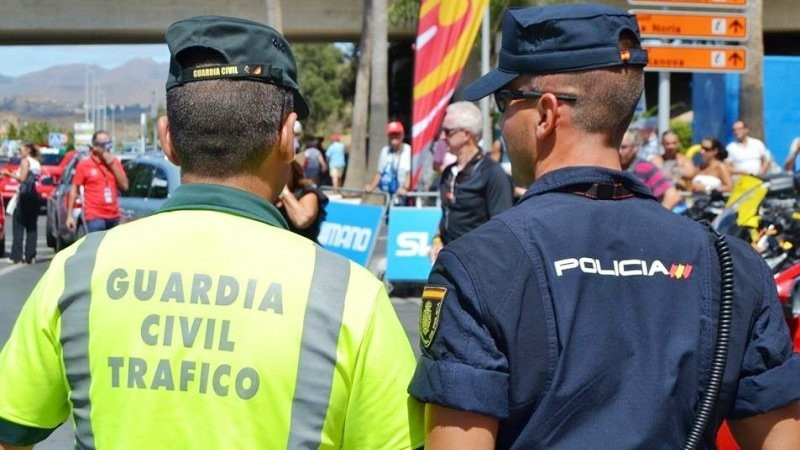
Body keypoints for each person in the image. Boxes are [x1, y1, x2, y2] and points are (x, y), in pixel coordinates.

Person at [0, 16, 423, 450]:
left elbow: (10, 428)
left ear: (167, 139)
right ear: (286, 136)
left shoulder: (77, 269)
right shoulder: (352, 298)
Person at [408, 4, 800, 449]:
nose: (501, 123)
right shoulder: (730, 264)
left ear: (546, 113)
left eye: (504, 101)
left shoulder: (478, 263)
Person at [429, 101, 513, 262]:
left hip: (480, 265)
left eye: (448, 132)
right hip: (450, 263)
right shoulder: (448, 173)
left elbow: (503, 229)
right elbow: (446, 216)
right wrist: (437, 240)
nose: (442, 137)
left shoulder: (492, 173)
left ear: (467, 134)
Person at [65, 130, 129, 233]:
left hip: (114, 216)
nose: (107, 148)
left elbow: (125, 186)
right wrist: (69, 215)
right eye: (103, 145)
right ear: (95, 147)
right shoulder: (84, 165)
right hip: (94, 216)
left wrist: (112, 165)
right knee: (96, 246)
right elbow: (74, 190)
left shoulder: (115, 162)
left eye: (109, 144)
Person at [618, 130, 682, 210]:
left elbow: (673, 196)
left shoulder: (644, 167)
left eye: (624, 147)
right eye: (617, 147)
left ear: (635, 147)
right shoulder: (614, 167)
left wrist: (658, 217)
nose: (619, 151)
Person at [1, 142, 41, 264]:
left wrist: (8, 173)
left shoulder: (25, 161)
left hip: (24, 196)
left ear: (28, 150)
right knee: (31, 226)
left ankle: (17, 256)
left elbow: (22, 179)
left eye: (21, 150)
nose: (19, 152)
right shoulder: (36, 163)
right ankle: (30, 256)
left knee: (18, 225)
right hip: (35, 196)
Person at [276, 160, 328, 243]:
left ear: (293, 171)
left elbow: (302, 220)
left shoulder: (308, 193)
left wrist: (284, 191)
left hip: (303, 250)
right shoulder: (270, 195)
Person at [364, 121, 411, 198]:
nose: (394, 137)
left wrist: (405, 188)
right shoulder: (385, 151)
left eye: (396, 134)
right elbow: (379, 172)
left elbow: (409, 173)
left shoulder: (408, 150)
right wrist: (371, 187)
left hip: (404, 195)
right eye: (391, 134)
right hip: (389, 194)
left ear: (402, 135)